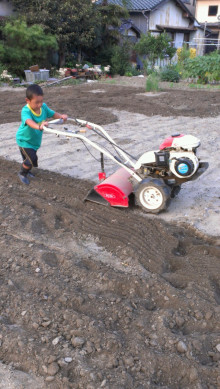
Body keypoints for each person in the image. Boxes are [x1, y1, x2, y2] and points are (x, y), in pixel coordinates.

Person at [16, 84, 68, 185]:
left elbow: (53, 114)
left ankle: (27, 170)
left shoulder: (43, 107)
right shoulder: (26, 110)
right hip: (24, 140)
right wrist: (39, 126)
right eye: (36, 102)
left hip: (34, 141)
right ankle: (22, 173)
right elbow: (29, 121)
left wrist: (61, 116)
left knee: (28, 159)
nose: (39, 104)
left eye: (41, 101)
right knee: (32, 159)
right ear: (28, 100)